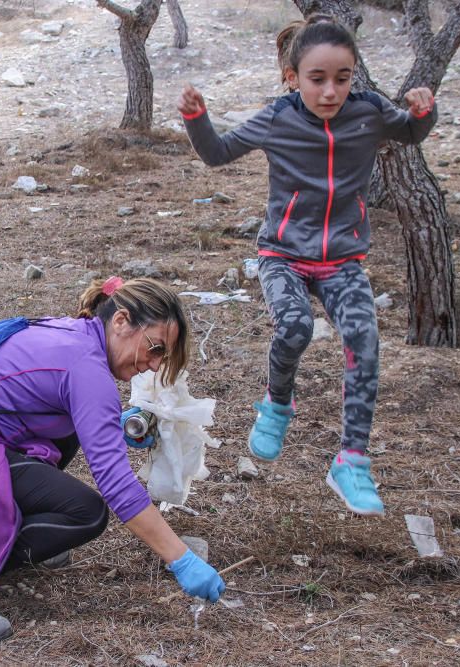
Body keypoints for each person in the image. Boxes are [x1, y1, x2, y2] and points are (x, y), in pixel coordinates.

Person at [178, 14, 438, 517]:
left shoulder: (368, 112)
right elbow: (217, 153)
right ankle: (277, 404)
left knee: (364, 338)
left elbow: (411, 133)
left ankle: (352, 462)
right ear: (293, 76)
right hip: (283, 255)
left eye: (342, 78)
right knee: (295, 325)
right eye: (317, 79)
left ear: (353, 75)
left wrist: (423, 111)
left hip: (342, 260)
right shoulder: (278, 117)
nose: (330, 91)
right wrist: (197, 117)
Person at [0, 277, 226, 643]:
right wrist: (181, 558)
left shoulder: (73, 332)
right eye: (155, 348)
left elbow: (31, 399)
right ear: (122, 321)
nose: (155, 365)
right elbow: (117, 487)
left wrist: (111, 425)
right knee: (87, 513)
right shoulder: (87, 370)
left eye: (163, 357)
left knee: (72, 434)